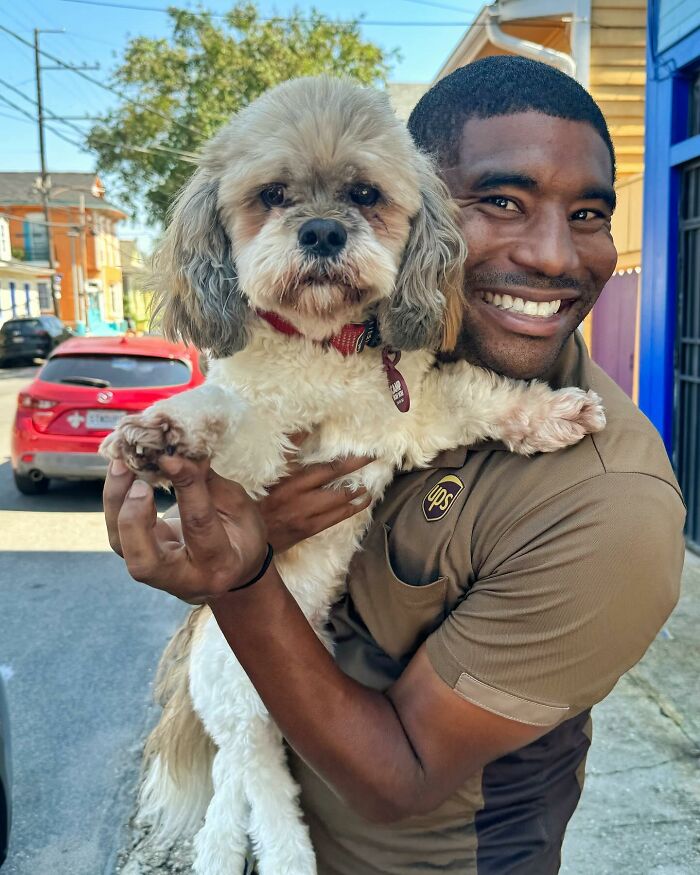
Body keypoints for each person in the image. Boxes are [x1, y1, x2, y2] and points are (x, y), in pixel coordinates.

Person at [103, 57, 685, 874]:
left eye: (588, 213)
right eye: (503, 201)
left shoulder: (606, 503)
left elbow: (399, 778)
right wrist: (222, 525)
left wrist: (240, 575)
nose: (556, 255)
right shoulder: (359, 355)